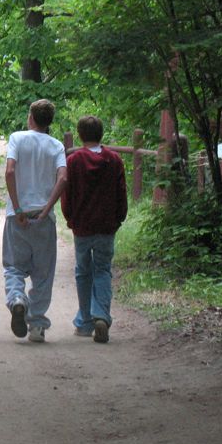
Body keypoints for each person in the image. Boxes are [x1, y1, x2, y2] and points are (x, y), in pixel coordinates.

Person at [3, 99, 68, 343]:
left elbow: (10, 171)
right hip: (43, 217)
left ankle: (17, 299)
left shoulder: (17, 138)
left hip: (17, 215)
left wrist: (17, 207)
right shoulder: (56, 146)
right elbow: (63, 178)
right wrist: (48, 208)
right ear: (49, 121)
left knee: (13, 266)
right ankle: (38, 325)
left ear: (30, 117)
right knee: (43, 273)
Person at [61, 115, 127, 344]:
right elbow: (121, 192)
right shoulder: (114, 159)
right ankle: (101, 315)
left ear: (80, 135)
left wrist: (70, 218)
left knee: (83, 272)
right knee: (102, 270)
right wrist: (119, 217)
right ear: (101, 134)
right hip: (106, 225)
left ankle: (85, 322)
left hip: (82, 226)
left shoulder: (73, 161)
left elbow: (67, 193)